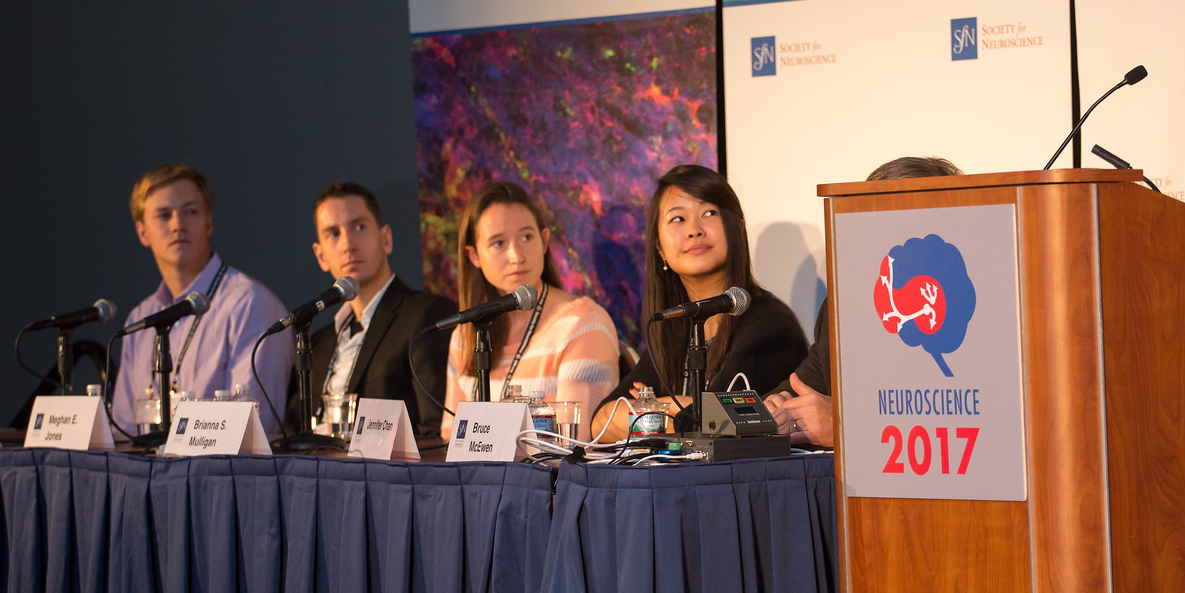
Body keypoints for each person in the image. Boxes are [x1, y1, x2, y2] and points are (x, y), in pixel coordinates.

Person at [593, 165, 808, 442]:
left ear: (736, 227)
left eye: (708, 213)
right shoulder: (672, 327)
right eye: (678, 219)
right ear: (660, 248)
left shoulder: (770, 323)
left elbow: (713, 422)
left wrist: (655, 406)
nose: (694, 230)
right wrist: (678, 409)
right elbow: (600, 422)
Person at [764, 156, 962, 448]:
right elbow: (810, 384)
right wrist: (777, 407)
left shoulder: (966, 310)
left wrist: (847, 427)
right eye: (873, 219)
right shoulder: (845, 304)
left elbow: (960, 414)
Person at [111, 164, 293, 438]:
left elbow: (251, 431)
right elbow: (123, 432)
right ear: (142, 232)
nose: (177, 225)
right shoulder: (140, 319)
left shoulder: (250, 305)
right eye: (163, 215)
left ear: (208, 222)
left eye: (190, 212)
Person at [441, 182, 619, 438]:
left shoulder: (583, 322)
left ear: (545, 241)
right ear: (474, 256)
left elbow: (574, 442)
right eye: (498, 243)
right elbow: (451, 438)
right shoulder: (465, 334)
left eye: (526, 237)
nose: (516, 256)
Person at [302, 182, 456, 436]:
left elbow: (437, 431)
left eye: (359, 227)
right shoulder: (318, 344)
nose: (348, 244)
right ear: (321, 256)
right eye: (333, 234)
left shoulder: (427, 315)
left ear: (386, 239)